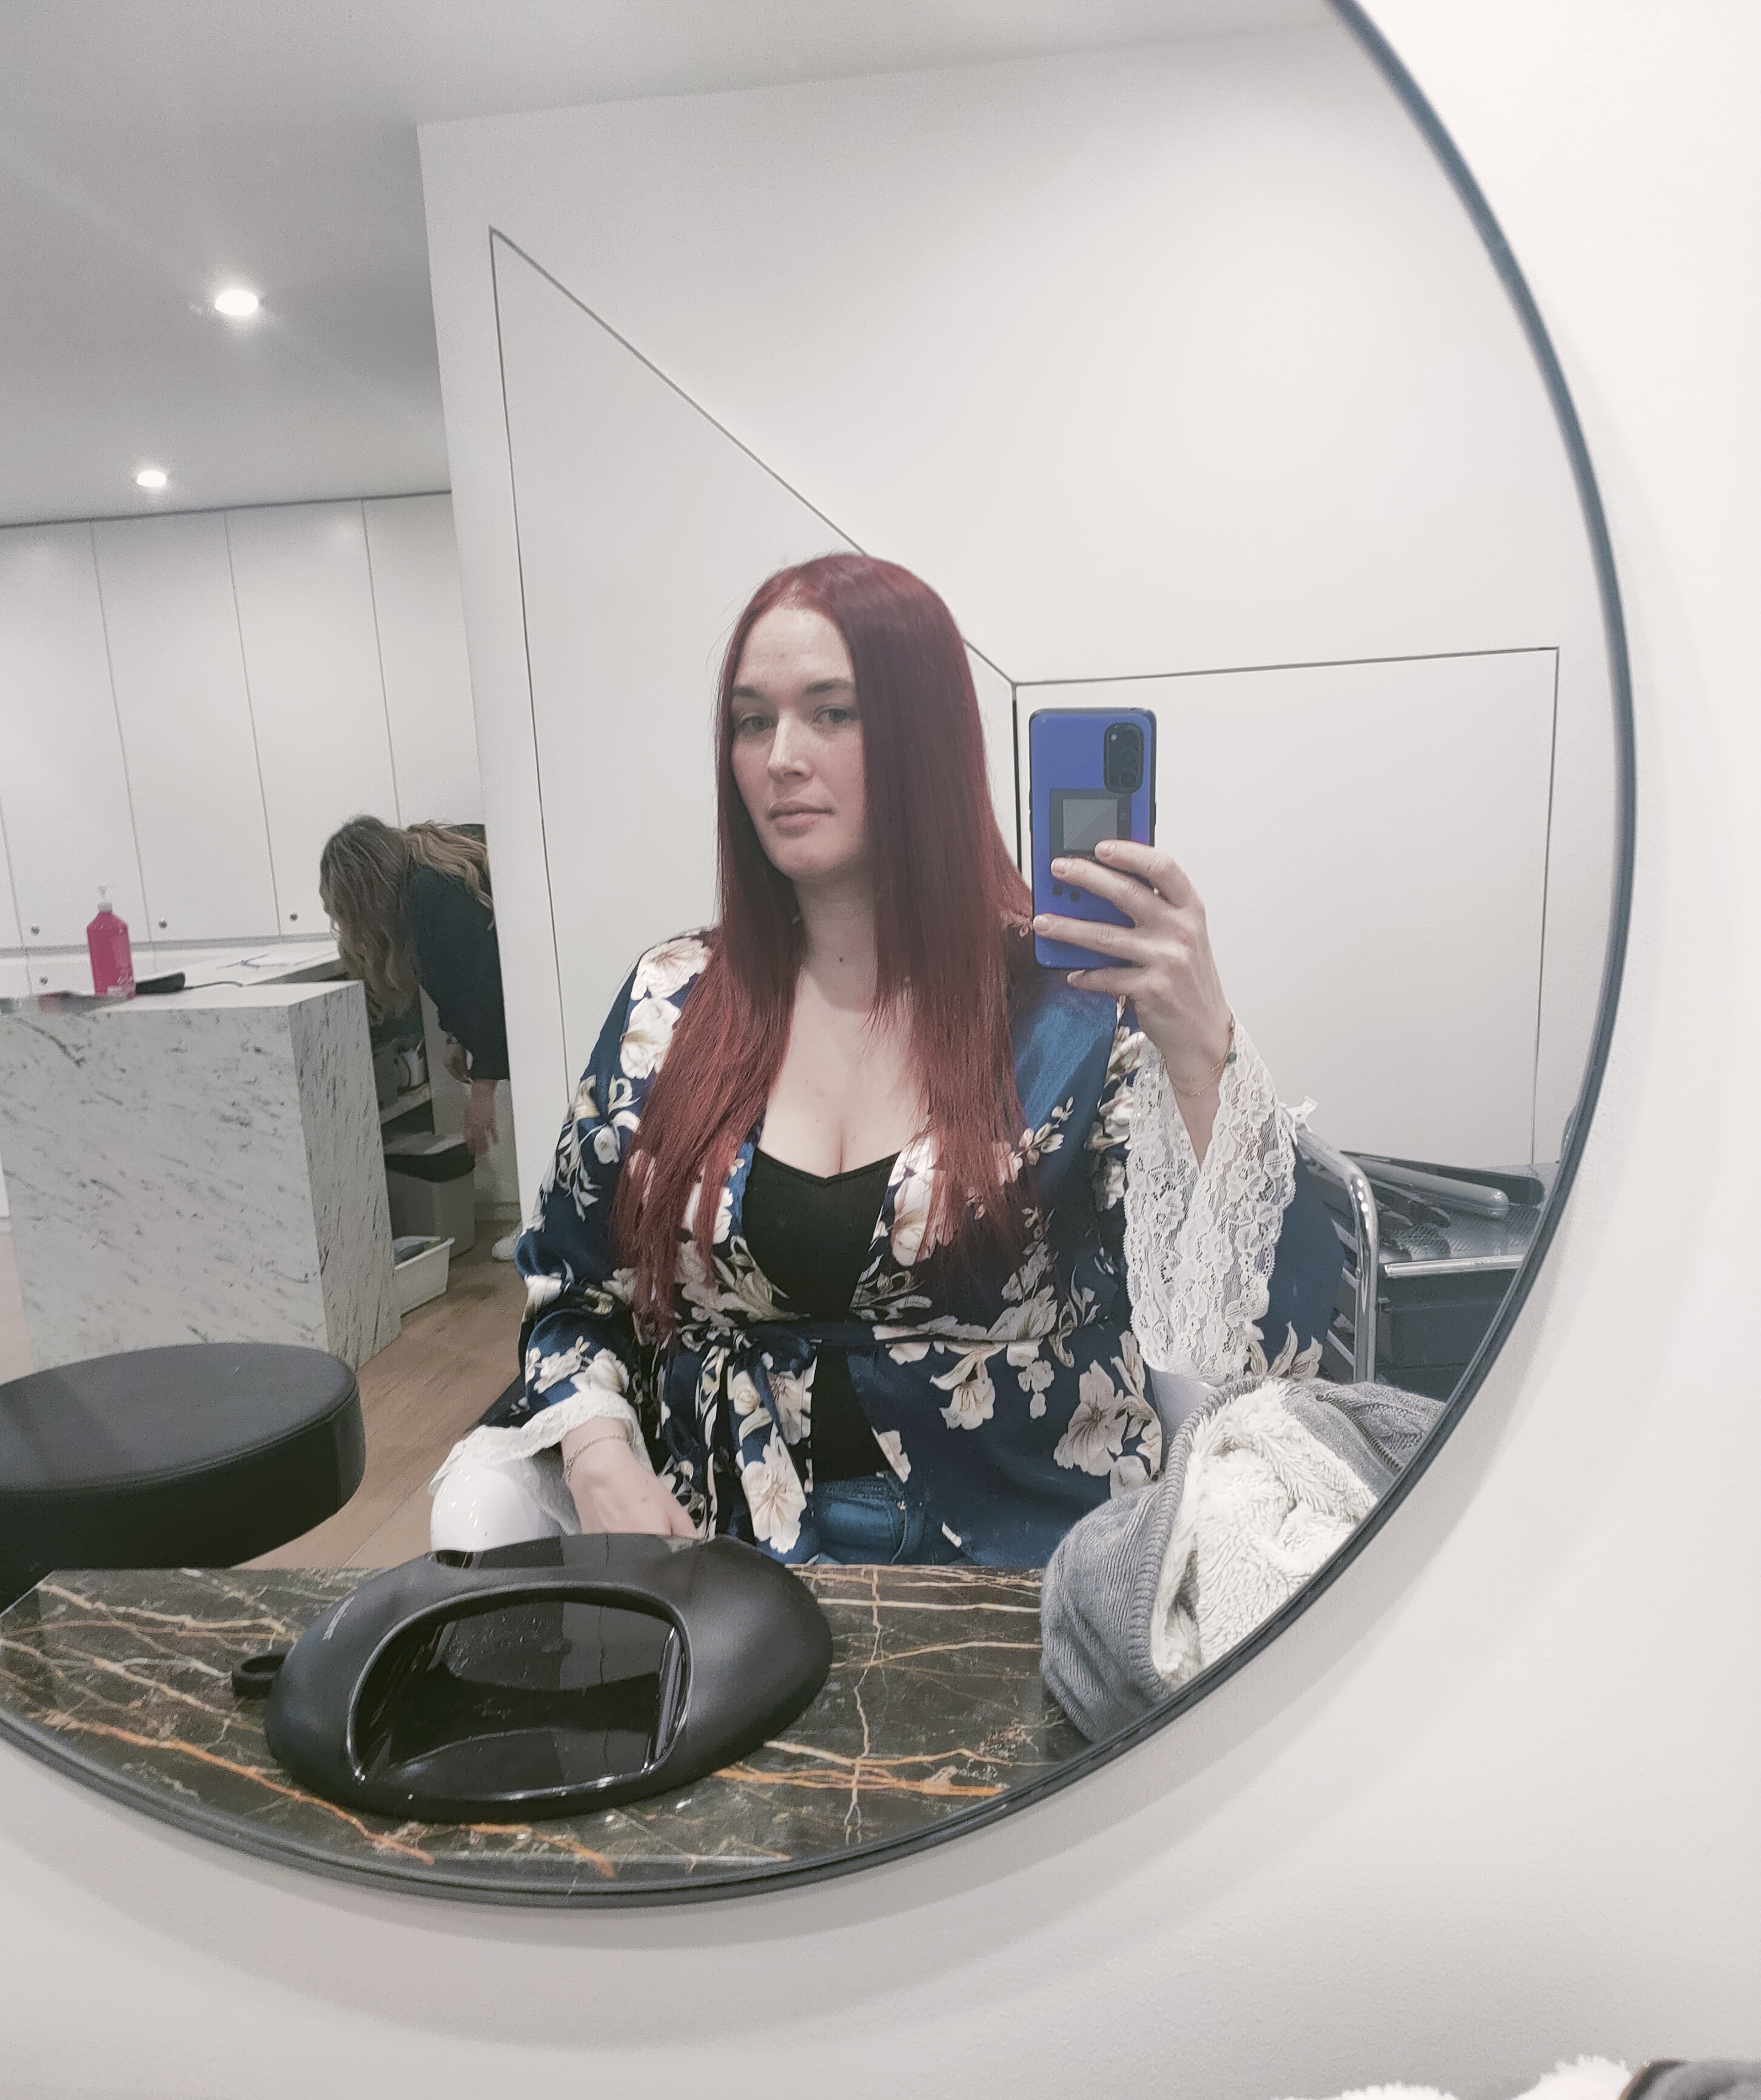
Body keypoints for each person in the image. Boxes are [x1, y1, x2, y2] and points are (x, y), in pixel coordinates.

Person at [432, 554, 1340, 1566]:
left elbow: (1260, 1342)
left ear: (924, 739)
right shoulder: (671, 1004)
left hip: (1021, 1563)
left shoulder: (1076, 1011)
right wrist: (599, 1451)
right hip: (729, 1560)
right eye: (751, 722)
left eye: (832, 713)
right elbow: (573, 1288)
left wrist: (1204, 1053)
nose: (781, 757)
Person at [319, 817, 519, 1260]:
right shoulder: (422, 877)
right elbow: (451, 974)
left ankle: (544, 1225)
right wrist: (455, 1036)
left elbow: (483, 982)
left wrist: (483, 1091)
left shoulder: (431, 893)